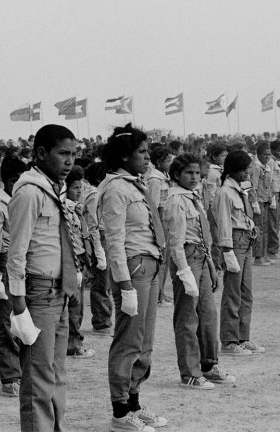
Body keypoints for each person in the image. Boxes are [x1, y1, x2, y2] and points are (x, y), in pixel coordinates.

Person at [7, 124, 78, 432]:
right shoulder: (29, 193)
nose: (69, 161)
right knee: (38, 377)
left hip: (59, 290)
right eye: (63, 153)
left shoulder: (52, 190)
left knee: (57, 372)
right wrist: (19, 306)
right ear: (40, 153)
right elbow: (16, 253)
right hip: (38, 291)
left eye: (73, 155)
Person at [98, 124, 167, 432]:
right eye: (141, 152)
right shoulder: (114, 187)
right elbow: (113, 240)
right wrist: (124, 284)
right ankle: (120, 410)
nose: (147, 157)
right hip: (133, 267)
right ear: (124, 156)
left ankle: (135, 402)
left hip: (150, 264)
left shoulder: (133, 184)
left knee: (145, 342)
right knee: (129, 340)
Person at [163, 153, 234, 390]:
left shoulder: (192, 197)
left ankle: (208, 364)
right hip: (187, 259)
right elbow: (175, 242)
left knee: (207, 314)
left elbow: (203, 237)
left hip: (201, 258)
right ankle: (190, 373)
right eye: (188, 173)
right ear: (176, 175)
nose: (194, 177)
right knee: (187, 318)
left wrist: (212, 266)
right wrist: (184, 273)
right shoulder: (175, 201)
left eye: (196, 173)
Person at [214, 149, 268, 356]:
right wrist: (226, 250)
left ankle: (243, 336)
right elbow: (224, 223)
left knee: (246, 292)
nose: (247, 173)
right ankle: (229, 340)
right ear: (234, 169)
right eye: (244, 169)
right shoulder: (225, 193)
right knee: (233, 292)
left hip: (245, 241)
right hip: (234, 243)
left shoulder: (239, 189)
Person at [0, 156, 27, 398]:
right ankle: (10, 377)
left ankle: (22, 371)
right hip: (4, 264)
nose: (17, 183)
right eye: (13, 180)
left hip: (22, 263)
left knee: (24, 321)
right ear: (4, 181)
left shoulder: (23, 198)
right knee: (7, 323)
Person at [64, 166, 96, 359]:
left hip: (82, 258)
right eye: (75, 188)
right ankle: (73, 344)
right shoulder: (66, 210)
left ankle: (73, 341)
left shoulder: (76, 208)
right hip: (73, 259)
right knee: (74, 306)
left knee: (78, 305)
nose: (79, 192)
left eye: (80, 188)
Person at [83, 162, 112, 336]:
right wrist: (99, 252)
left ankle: (104, 318)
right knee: (102, 281)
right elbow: (93, 225)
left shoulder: (96, 193)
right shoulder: (94, 195)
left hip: (102, 236)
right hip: (99, 238)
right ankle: (101, 321)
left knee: (105, 281)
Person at [146, 146, 173, 306]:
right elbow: (154, 206)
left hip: (166, 221)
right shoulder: (155, 180)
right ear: (158, 162)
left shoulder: (164, 177)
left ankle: (161, 292)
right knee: (161, 259)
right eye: (168, 160)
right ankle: (158, 295)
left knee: (166, 259)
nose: (170, 163)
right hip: (160, 222)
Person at [250, 142, 273, 266]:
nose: (267, 157)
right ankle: (258, 256)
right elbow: (252, 186)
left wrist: (270, 198)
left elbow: (267, 186)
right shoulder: (256, 167)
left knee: (265, 228)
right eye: (264, 155)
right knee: (258, 229)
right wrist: (254, 203)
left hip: (265, 200)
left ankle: (263, 254)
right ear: (258, 155)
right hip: (258, 201)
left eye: (269, 155)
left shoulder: (266, 167)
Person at [267, 140, 280, 260]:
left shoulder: (277, 162)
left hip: (278, 193)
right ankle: (272, 250)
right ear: (273, 150)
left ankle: (273, 248)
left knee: (276, 222)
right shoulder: (271, 162)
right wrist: (272, 197)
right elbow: (269, 181)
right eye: (279, 150)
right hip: (273, 195)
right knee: (273, 223)